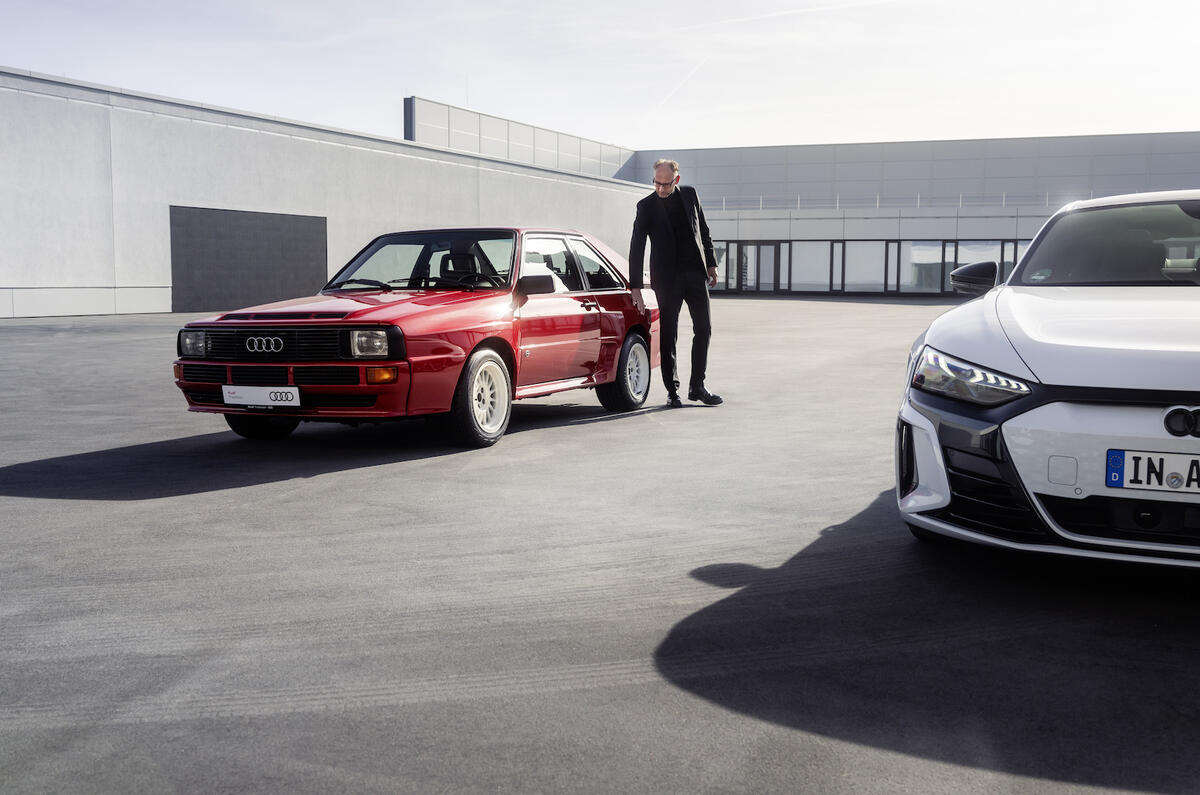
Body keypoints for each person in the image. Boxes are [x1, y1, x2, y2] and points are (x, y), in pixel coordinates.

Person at [629, 158, 723, 407]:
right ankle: (673, 391)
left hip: (695, 273)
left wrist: (711, 263)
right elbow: (637, 246)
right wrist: (635, 287)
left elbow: (703, 230)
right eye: (656, 183)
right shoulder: (646, 206)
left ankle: (698, 386)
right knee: (669, 334)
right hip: (667, 279)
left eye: (666, 184)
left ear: (677, 180)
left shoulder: (690, 196)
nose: (660, 189)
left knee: (704, 329)